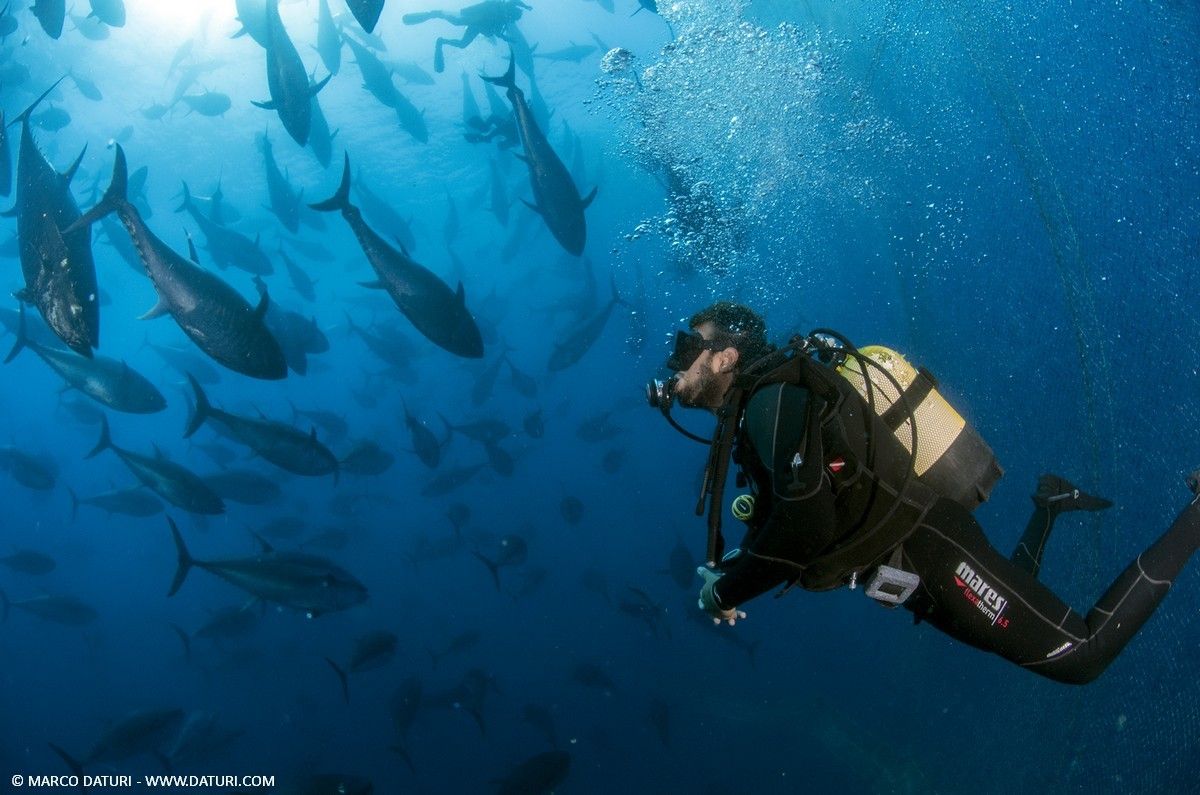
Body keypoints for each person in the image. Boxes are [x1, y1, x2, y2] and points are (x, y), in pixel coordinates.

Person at [651, 301, 1200, 684]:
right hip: (909, 567)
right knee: (1017, 624)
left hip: (925, 543)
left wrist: (727, 592)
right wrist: (737, 568)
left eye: (687, 347)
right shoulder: (761, 413)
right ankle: (1050, 505)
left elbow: (805, 525)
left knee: (1079, 653)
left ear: (726, 356)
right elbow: (797, 514)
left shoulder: (772, 402)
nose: (675, 364)